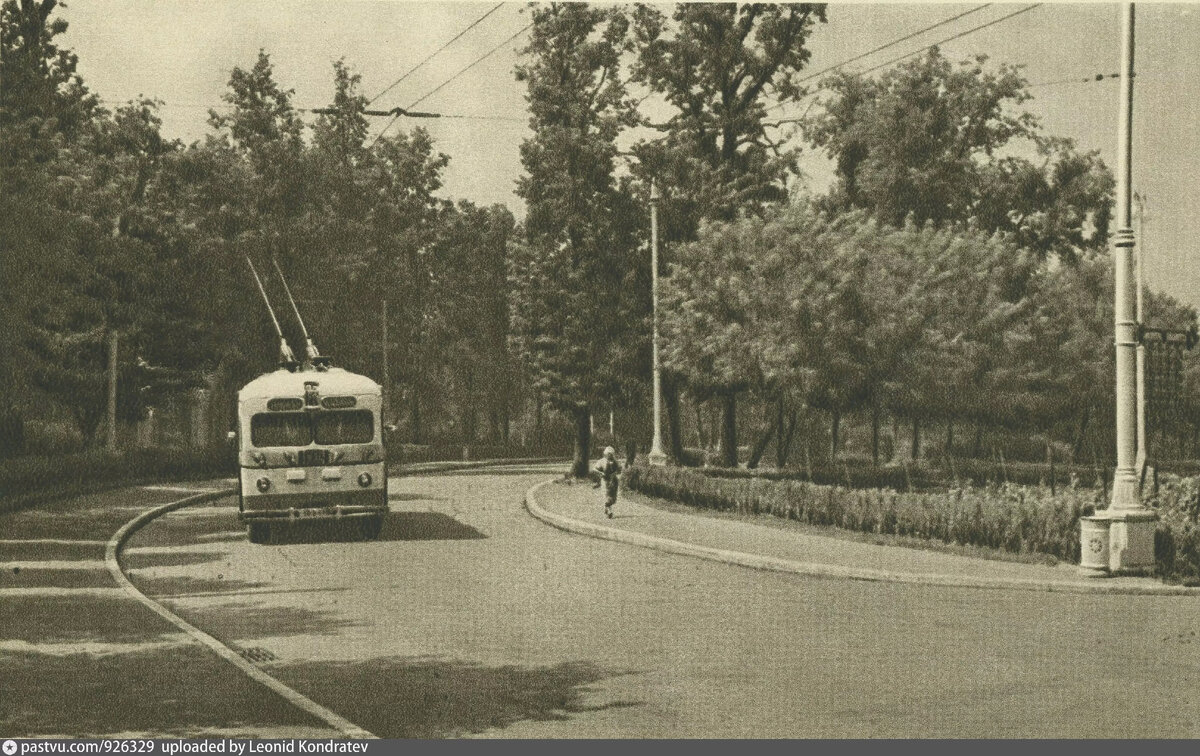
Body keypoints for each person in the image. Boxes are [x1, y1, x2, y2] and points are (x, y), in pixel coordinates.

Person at [593, 446, 622, 519]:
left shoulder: (615, 461)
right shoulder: (601, 461)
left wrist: (615, 473)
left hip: (613, 481)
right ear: (605, 454)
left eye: (611, 454)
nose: (610, 455)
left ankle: (606, 508)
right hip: (605, 480)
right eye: (609, 454)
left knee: (613, 498)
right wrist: (601, 473)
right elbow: (594, 469)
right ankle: (609, 511)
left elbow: (620, 469)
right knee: (607, 496)